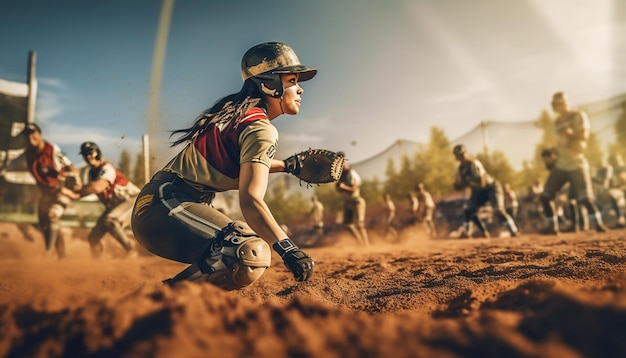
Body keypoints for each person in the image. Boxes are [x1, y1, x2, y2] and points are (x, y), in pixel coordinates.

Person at [131, 42, 316, 290]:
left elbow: (241, 161)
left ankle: (156, 301)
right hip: (168, 207)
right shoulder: (260, 128)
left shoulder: (239, 115)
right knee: (248, 252)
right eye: (292, 80)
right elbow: (251, 200)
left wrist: (288, 166)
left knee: (229, 253)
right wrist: (288, 248)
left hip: (160, 206)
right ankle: (161, 303)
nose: (300, 89)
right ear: (269, 85)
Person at [539, 92, 608, 234]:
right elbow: (556, 146)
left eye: (561, 103)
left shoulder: (578, 115)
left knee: (585, 198)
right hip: (561, 164)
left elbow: (584, 136)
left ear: (566, 102)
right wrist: (549, 154)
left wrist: (570, 134)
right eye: (556, 104)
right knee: (545, 196)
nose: (559, 106)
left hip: (577, 162)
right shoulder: (555, 123)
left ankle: (599, 225)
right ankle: (553, 227)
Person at [62, 142, 139, 258]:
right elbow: (82, 193)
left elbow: (97, 187)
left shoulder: (106, 168)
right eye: (85, 154)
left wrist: (78, 188)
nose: (88, 156)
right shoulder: (91, 173)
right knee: (93, 238)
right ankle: (97, 265)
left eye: (90, 153)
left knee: (110, 220)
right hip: (114, 206)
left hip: (132, 201)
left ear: (97, 153)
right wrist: (62, 190)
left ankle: (131, 250)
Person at [23, 123, 79, 259]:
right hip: (46, 194)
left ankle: (48, 253)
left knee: (52, 216)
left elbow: (71, 167)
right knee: (46, 225)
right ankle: (62, 258)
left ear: (40, 134)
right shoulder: (29, 154)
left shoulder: (51, 149)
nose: (30, 136)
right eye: (27, 134)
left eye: (33, 133)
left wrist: (75, 184)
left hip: (60, 191)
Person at [452, 144, 519, 238]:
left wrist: (468, 183)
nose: (461, 157)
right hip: (478, 191)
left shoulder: (474, 163)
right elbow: (459, 186)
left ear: (466, 153)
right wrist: (458, 185)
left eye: (462, 154)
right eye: (458, 155)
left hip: (491, 187)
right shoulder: (460, 169)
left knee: (498, 210)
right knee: (469, 210)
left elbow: (482, 183)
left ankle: (513, 230)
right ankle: (469, 233)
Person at [335, 153, 370, 245]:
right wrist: (339, 187)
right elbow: (338, 190)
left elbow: (354, 189)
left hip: (356, 201)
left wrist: (343, 187)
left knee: (360, 224)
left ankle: (366, 245)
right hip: (347, 202)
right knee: (347, 224)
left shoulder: (351, 173)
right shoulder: (340, 175)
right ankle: (360, 242)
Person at [607, 153, 626, 228]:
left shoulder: (623, 167)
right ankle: (620, 219)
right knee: (612, 195)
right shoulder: (612, 170)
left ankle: (621, 219)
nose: (615, 162)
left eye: (616, 160)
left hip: (623, 189)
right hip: (620, 190)